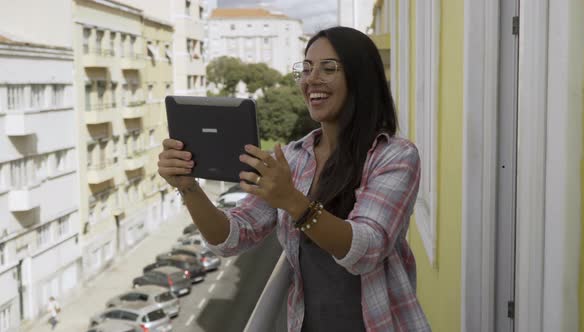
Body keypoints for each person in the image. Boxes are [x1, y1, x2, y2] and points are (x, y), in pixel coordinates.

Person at [158, 26, 430, 332]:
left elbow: (367, 250)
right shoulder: (293, 157)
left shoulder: (395, 156)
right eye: (306, 68)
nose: (311, 79)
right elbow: (232, 236)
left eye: (328, 68)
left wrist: (292, 201)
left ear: (361, 79)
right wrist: (188, 186)